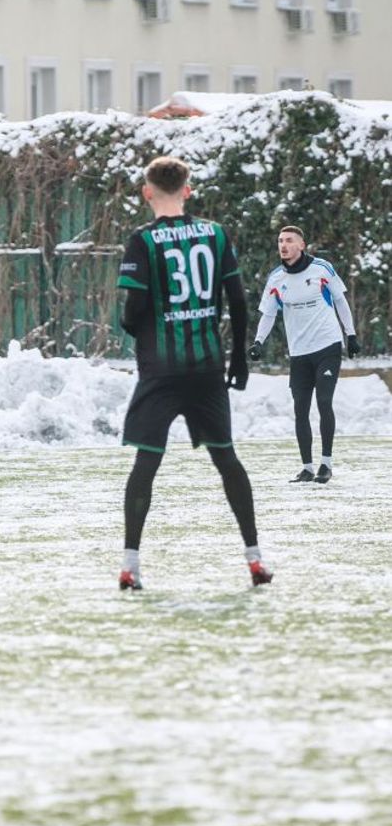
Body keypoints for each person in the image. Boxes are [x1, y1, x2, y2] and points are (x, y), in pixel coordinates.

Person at [115, 156, 271, 591]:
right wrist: (238, 358)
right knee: (227, 459)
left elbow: (132, 310)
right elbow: (237, 300)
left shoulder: (142, 240)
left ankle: (130, 564)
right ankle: (255, 559)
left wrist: (139, 328)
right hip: (206, 368)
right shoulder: (215, 234)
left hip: (161, 371)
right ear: (187, 190)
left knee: (146, 462)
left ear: (147, 192)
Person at [249, 226, 358, 484]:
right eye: (280, 241)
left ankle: (326, 464)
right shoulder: (276, 279)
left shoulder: (322, 269)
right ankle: (307, 468)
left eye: (289, 240)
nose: (283, 245)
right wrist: (258, 342)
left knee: (324, 401)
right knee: (300, 409)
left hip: (328, 346)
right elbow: (268, 314)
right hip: (299, 352)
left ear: (301, 245)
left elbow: (340, 301)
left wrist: (351, 334)